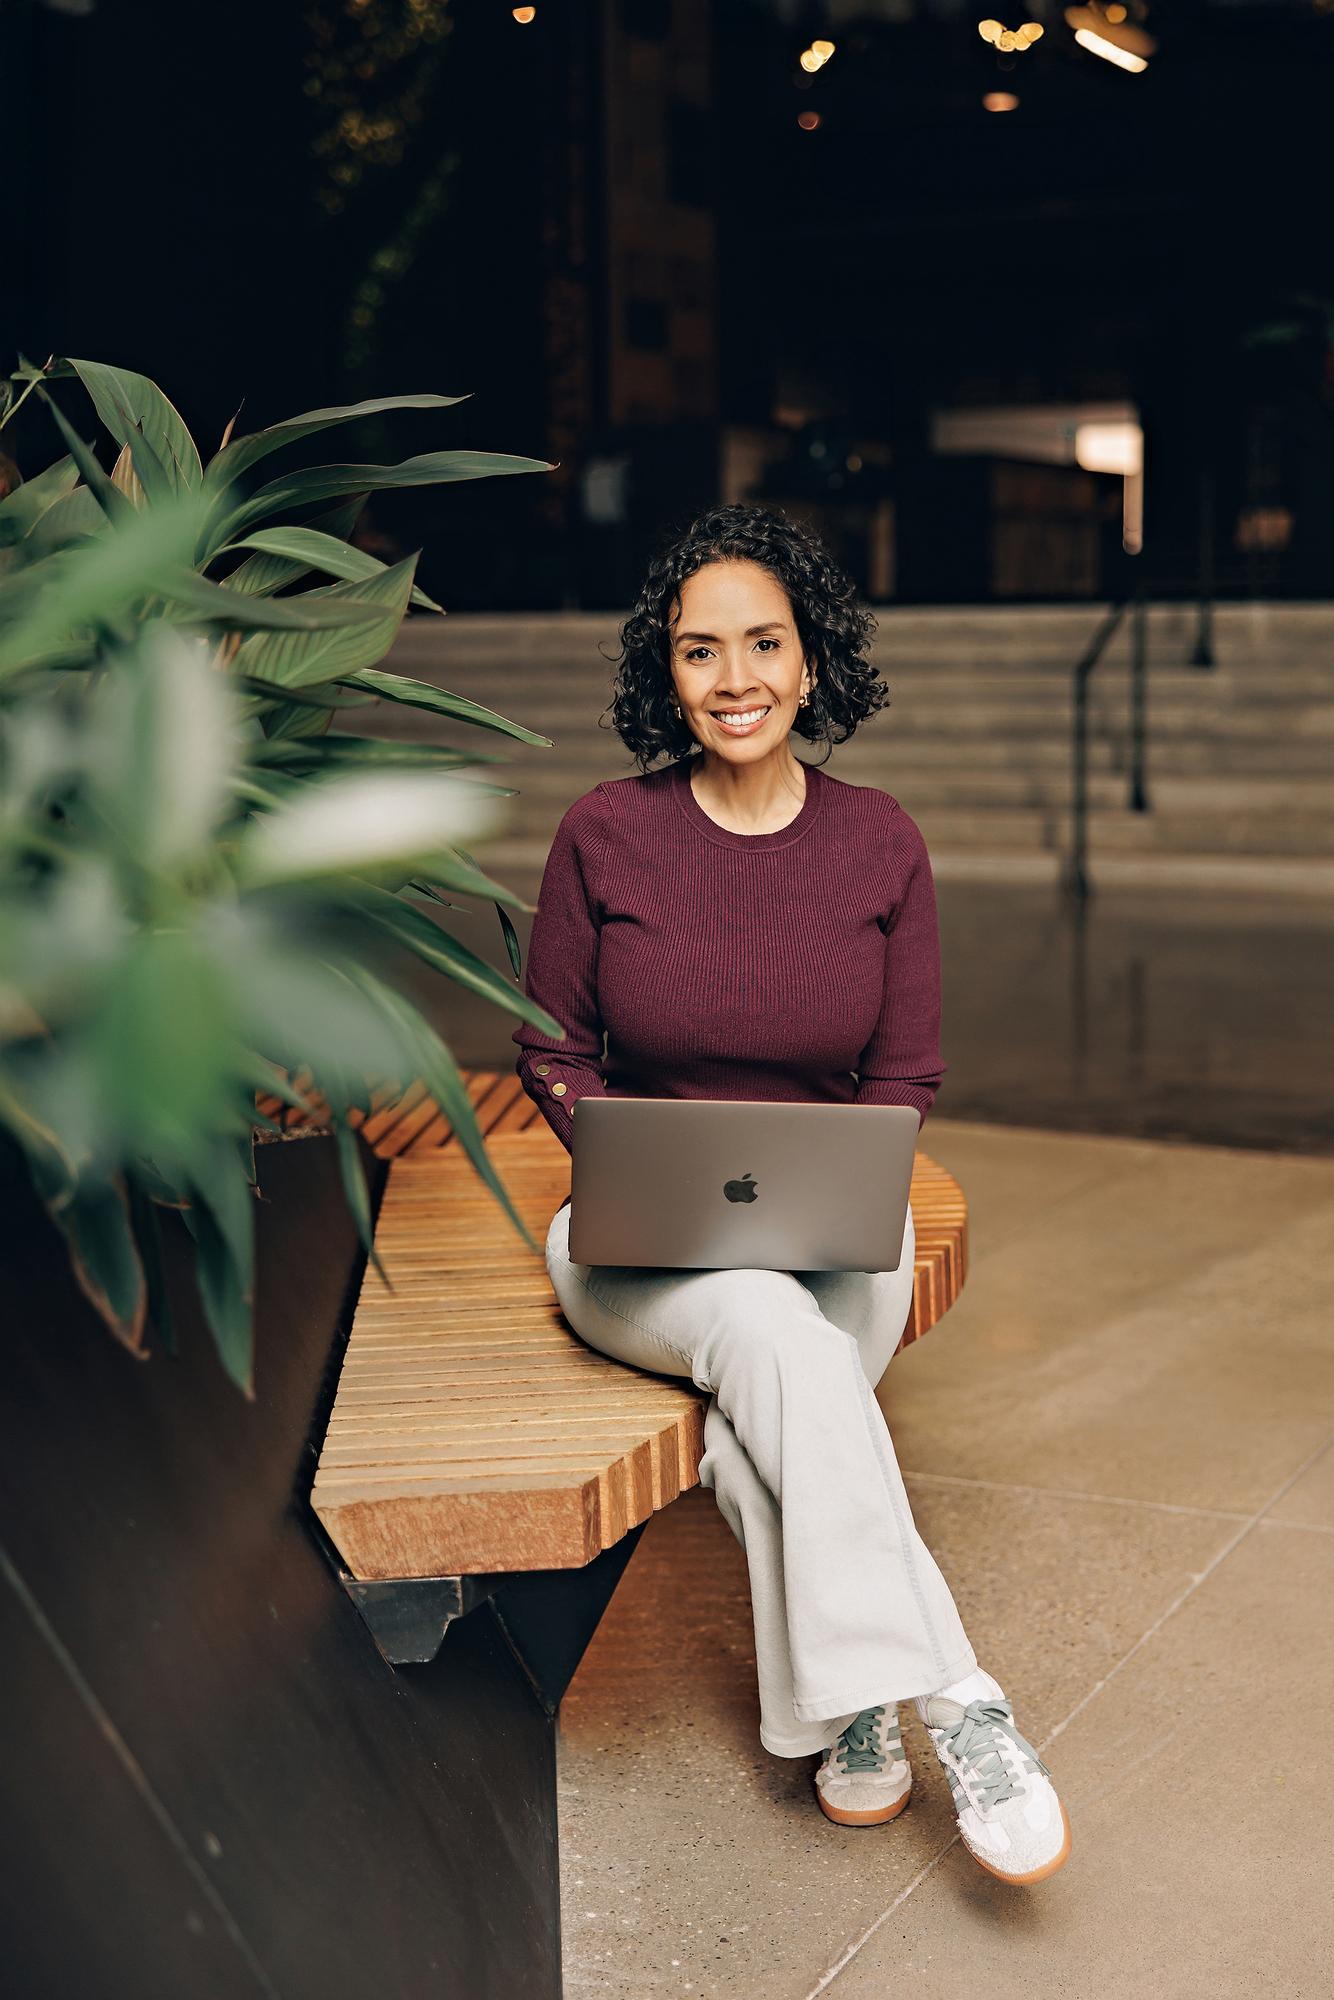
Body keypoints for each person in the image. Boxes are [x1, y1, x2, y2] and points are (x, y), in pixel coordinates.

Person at [512, 503, 1070, 1887]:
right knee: (770, 1337)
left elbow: (905, 1067)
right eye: (701, 652)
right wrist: (610, 1148)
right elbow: (550, 1049)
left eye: (764, 644)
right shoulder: (602, 833)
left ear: (811, 663)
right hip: (636, 1245)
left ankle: (853, 1707)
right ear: (669, 672)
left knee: (767, 1413)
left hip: (835, 1234)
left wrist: (855, 1174)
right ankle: (956, 1695)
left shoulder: (879, 842)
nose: (736, 677)